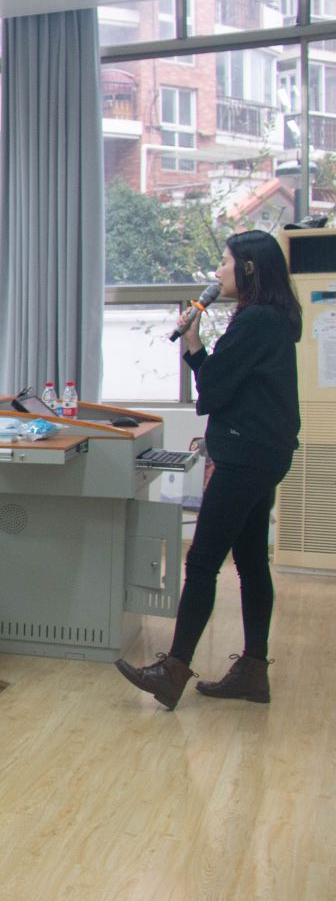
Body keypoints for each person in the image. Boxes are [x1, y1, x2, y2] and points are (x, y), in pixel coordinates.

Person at [116, 231, 302, 709]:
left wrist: (194, 344)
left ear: (249, 268)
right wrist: (197, 348)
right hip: (265, 453)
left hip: (243, 457)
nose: (217, 272)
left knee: (201, 563)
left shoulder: (255, 320)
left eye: (224, 262)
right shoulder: (275, 317)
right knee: (251, 561)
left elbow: (214, 392)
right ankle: (253, 672)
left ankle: (172, 670)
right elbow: (232, 387)